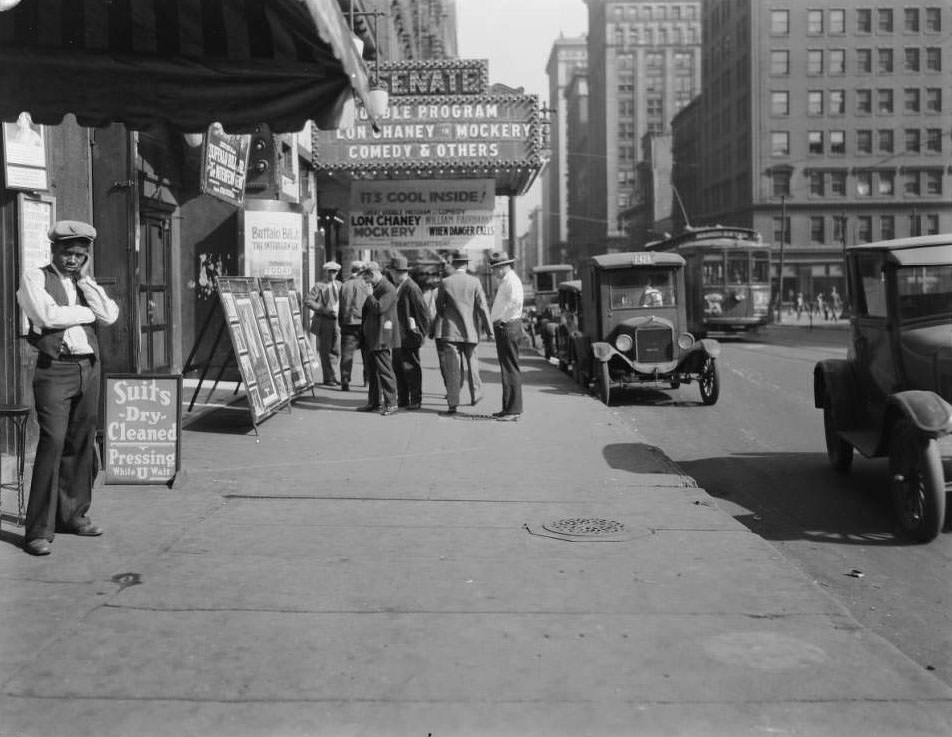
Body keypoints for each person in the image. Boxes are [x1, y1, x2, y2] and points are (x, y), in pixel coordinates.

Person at [16, 220, 120, 556]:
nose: (72, 259)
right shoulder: (35, 277)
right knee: (53, 442)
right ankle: (38, 530)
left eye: (79, 254)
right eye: (67, 252)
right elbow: (46, 316)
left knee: (81, 441)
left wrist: (87, 283)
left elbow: (109, 314)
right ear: (54, 250)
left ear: (86, 256)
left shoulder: (84, 283)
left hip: (88, 367)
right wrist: (85, 314)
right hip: (54, 369)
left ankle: (73, 514)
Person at [433, 249, 493, 415]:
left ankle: (453, 403)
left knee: (453, 368)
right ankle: (476, 395)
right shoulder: (475, 282)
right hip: (471, 331)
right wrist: (489, 330)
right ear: (466, 264)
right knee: (472, 365)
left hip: (450, 331)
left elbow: (439, 306)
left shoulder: (445, 282)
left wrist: (445, 315)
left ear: (453, 264)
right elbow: (483, 307)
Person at [356, 261, 399, 415]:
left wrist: (369, 295)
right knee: (372, 371)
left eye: (367, 278)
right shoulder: (376, 287)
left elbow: (379, 308)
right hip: (371, 336)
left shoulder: (388, 288)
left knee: (385, 371)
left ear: (373, 274)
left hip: (381, 336)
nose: (365, 281)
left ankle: (391, 403)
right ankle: (374, 402)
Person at [388, 255, 430, 410]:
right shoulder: (401, 286)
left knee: (411, 368)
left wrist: (419, 333)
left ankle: (415, 399)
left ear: (397, 272)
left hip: (408, 336)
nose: (391, 275)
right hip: (399, 336)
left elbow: (423, 312)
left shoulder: (411, 287)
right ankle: (404, 398)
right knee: (399, 368)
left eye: (392, 272)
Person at [488, 250, 525, 420]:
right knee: (507, 368)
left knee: (510, 368)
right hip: (506, 326)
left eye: (495, 269)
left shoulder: (511, 281)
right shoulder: (507, 280)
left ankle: (513, 410)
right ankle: (508, 407)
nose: (494, 272)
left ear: (502, 267)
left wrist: (501, 319)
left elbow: (515, 302)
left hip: (507, 326)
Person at [305, 261, 341, 386]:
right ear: (325, 272)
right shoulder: (318, 286)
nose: (332, 274)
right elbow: (308, 301)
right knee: (325, 350)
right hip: (324, 321)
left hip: (337, 322)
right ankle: (328, 378)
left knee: (336, 349)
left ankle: (333, 375)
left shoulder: (340, 285)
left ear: (337, 273)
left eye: (334, 271)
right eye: (329, 271)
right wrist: (323, 310)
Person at [337, 260, 370, 391]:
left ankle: (345, 380)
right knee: (367, 353)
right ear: (362, 271)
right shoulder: (366, 285)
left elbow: (340, 306)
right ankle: (367, 379)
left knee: (347, 354)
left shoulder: (344, 285)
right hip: (364, 323)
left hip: (348, 323)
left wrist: (341, 322)